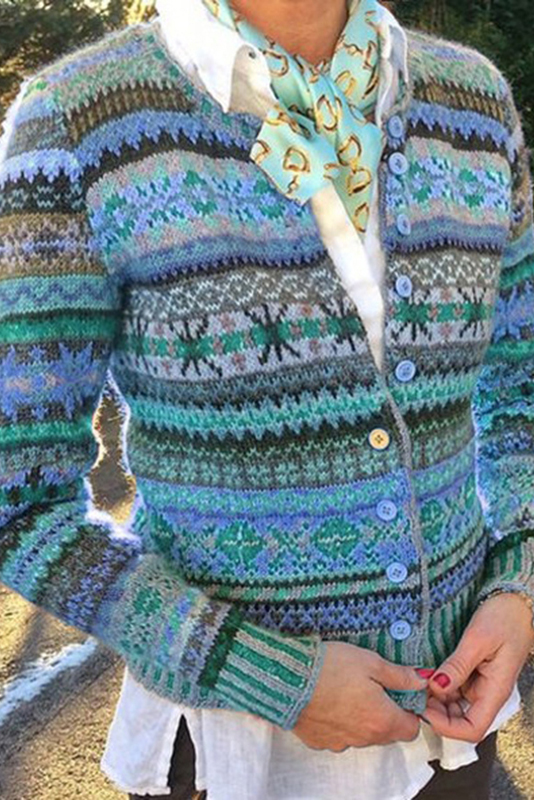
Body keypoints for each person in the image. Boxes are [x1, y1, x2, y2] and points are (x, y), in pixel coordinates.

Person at [0, 0, 533, 798]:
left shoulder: (474, 106)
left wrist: (520, 582)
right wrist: (265, 674)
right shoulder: (79, 126)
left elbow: (521, 391)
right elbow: (17, 497)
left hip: (452, 735)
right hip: (233, 756)